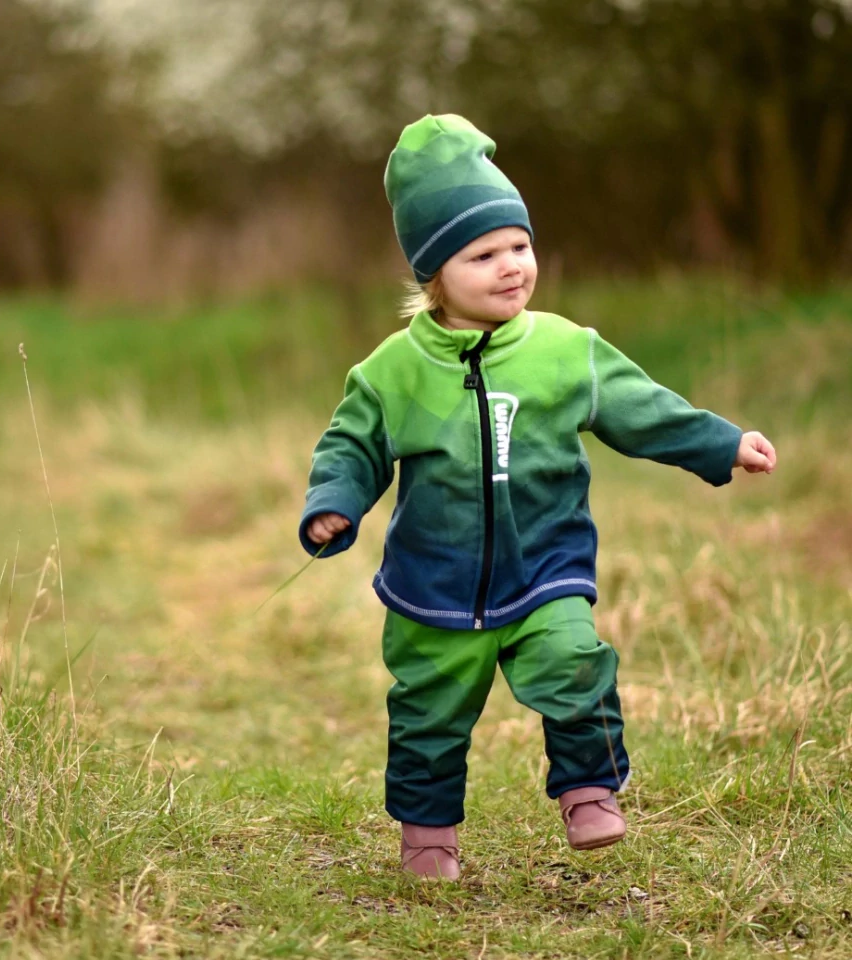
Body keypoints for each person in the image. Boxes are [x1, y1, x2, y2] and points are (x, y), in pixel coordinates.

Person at [298, 114, 776, 881]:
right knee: (427, 713)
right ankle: (428, 839)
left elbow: (641, 408)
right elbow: (352, 444)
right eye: (483, 254)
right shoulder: (393, 370)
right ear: (434, 276)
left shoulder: (564, 350)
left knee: (574, 661)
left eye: (520, 245)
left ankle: (589, 791)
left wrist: (721, 443)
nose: (512, 265)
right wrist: (335, 500)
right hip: (434, 584)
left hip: (545, 564)